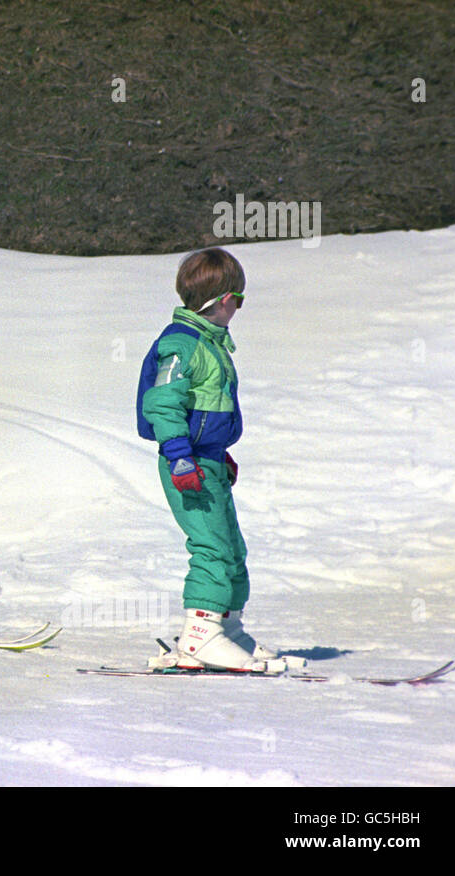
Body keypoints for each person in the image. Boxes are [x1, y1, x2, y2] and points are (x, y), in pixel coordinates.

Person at [137, 247, 278, 669]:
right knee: (211, 547)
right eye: (240, 298)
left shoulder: (211, 344)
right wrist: (181, 456)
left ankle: (226, 629)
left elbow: (205, 409)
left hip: (208, 459)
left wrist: (219, 451)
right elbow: (162, 405)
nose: (239, 307)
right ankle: (199, 636)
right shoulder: (182, 344)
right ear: (221, 300)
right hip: (187, 464)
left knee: (232, 547)